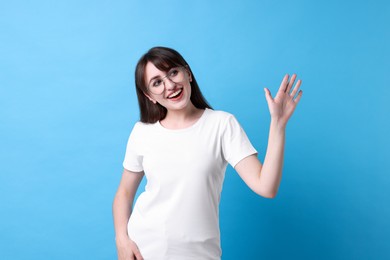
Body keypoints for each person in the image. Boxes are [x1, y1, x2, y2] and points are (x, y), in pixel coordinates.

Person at [113, 46, 303, 260]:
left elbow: (266, 187)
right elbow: (124, 194)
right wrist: (122, 240)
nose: (170, 85)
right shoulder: (142, 132)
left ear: (188, 73)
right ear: (150, 96)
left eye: (173, 73)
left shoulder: (221, 125)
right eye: (157, 82)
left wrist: (278, 124)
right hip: (144, 250)